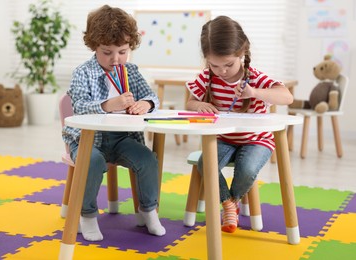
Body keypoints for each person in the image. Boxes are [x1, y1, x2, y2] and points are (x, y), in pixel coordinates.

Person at [62, 5, 165, 241]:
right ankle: (87, 215)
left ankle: (149, 211)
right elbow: (78, 106)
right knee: (92, 161)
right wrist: (109, 104)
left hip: (122, 139)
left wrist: (146, 105)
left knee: (148, 160)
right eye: (107, 52)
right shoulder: (83, 72)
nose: (115, 59)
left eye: (122, 51)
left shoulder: (131, 71)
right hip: (87, 140)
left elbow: (152, 96)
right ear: (94, 46)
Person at [185, 16, 293, 233]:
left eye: (228, 64)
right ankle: (228, 204)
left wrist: (255, 93)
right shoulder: (207, 78)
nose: (222, 71)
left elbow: (286, 97)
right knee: (205, 164)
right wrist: (199, 106)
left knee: (247, 169)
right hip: (224, 138)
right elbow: (189, 102)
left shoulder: (253, 77)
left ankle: (232, 200)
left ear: (243, 53)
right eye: (214, 65)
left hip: (256, 140)